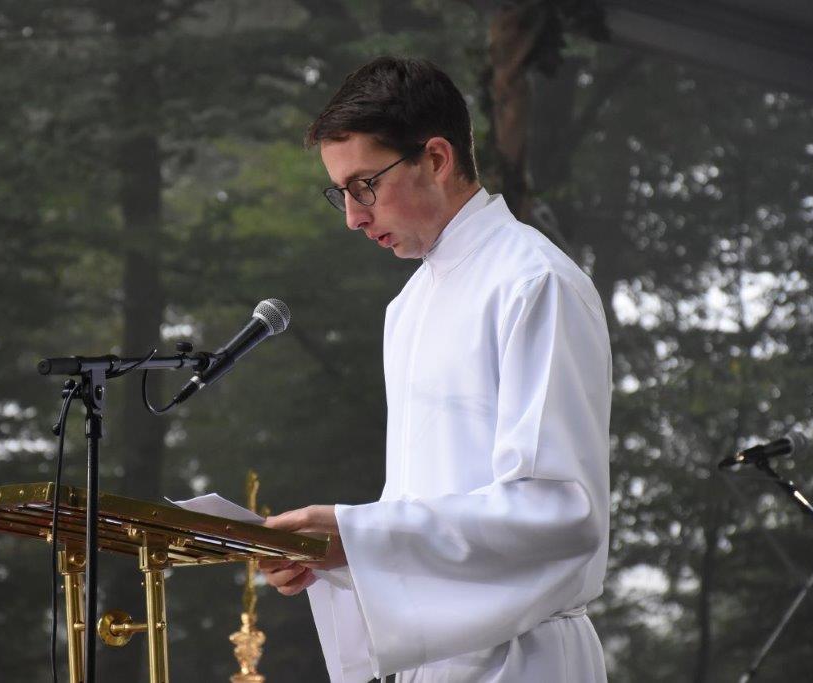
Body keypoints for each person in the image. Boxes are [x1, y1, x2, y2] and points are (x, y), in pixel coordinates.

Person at [260, 56, 612, 683]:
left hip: (525, 659)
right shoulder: (407, 306)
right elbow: (423, 503)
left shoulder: (535, 282)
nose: (353, 217)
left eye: (364, 185)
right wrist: (335, 555)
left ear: (437, 159)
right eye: (340, 193)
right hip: (432, 662)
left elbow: (561, 513)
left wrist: (359, 536)